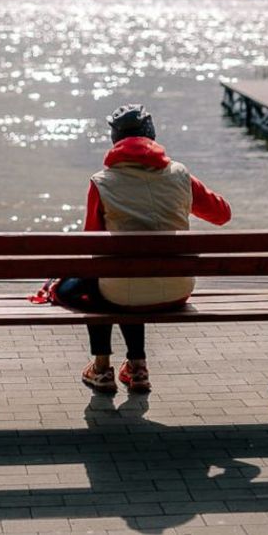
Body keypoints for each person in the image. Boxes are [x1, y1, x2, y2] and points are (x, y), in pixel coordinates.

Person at [57, 104, 231, 394]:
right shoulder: (181, 175)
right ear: (152, 134)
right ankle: (137, 367)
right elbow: (222, 215)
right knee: (123, 280)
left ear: (115, 140)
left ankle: (102, 369)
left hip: (120, 291)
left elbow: (92, 245)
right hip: (177, 288)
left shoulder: (102, 182)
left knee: (94, 283)